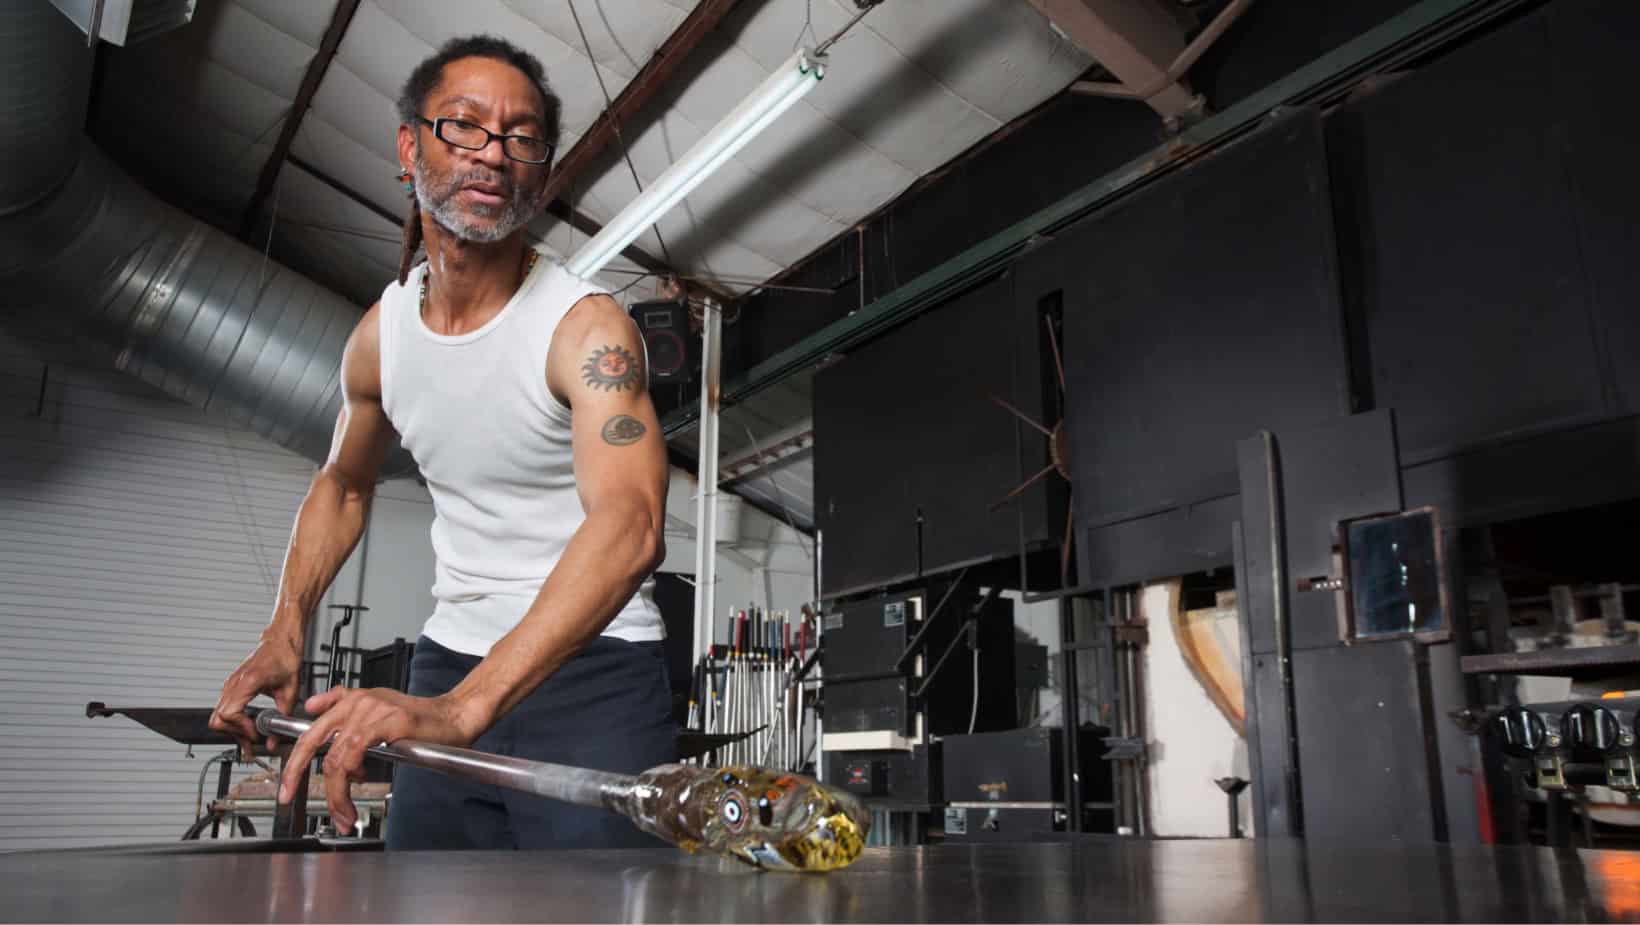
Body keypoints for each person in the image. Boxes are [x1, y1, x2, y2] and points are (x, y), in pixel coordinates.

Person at [208, 35, 673, 850]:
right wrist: (288, 623)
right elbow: (343, 485)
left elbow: (630, 524)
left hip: (593, 674)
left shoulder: (586, 331)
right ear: (408, 147)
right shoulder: (380, 340)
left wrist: (464, 710)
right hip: (449, 660)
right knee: (422, 895)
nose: (493, 155)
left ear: (540, 169)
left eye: (522, 138)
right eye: (464, 126)